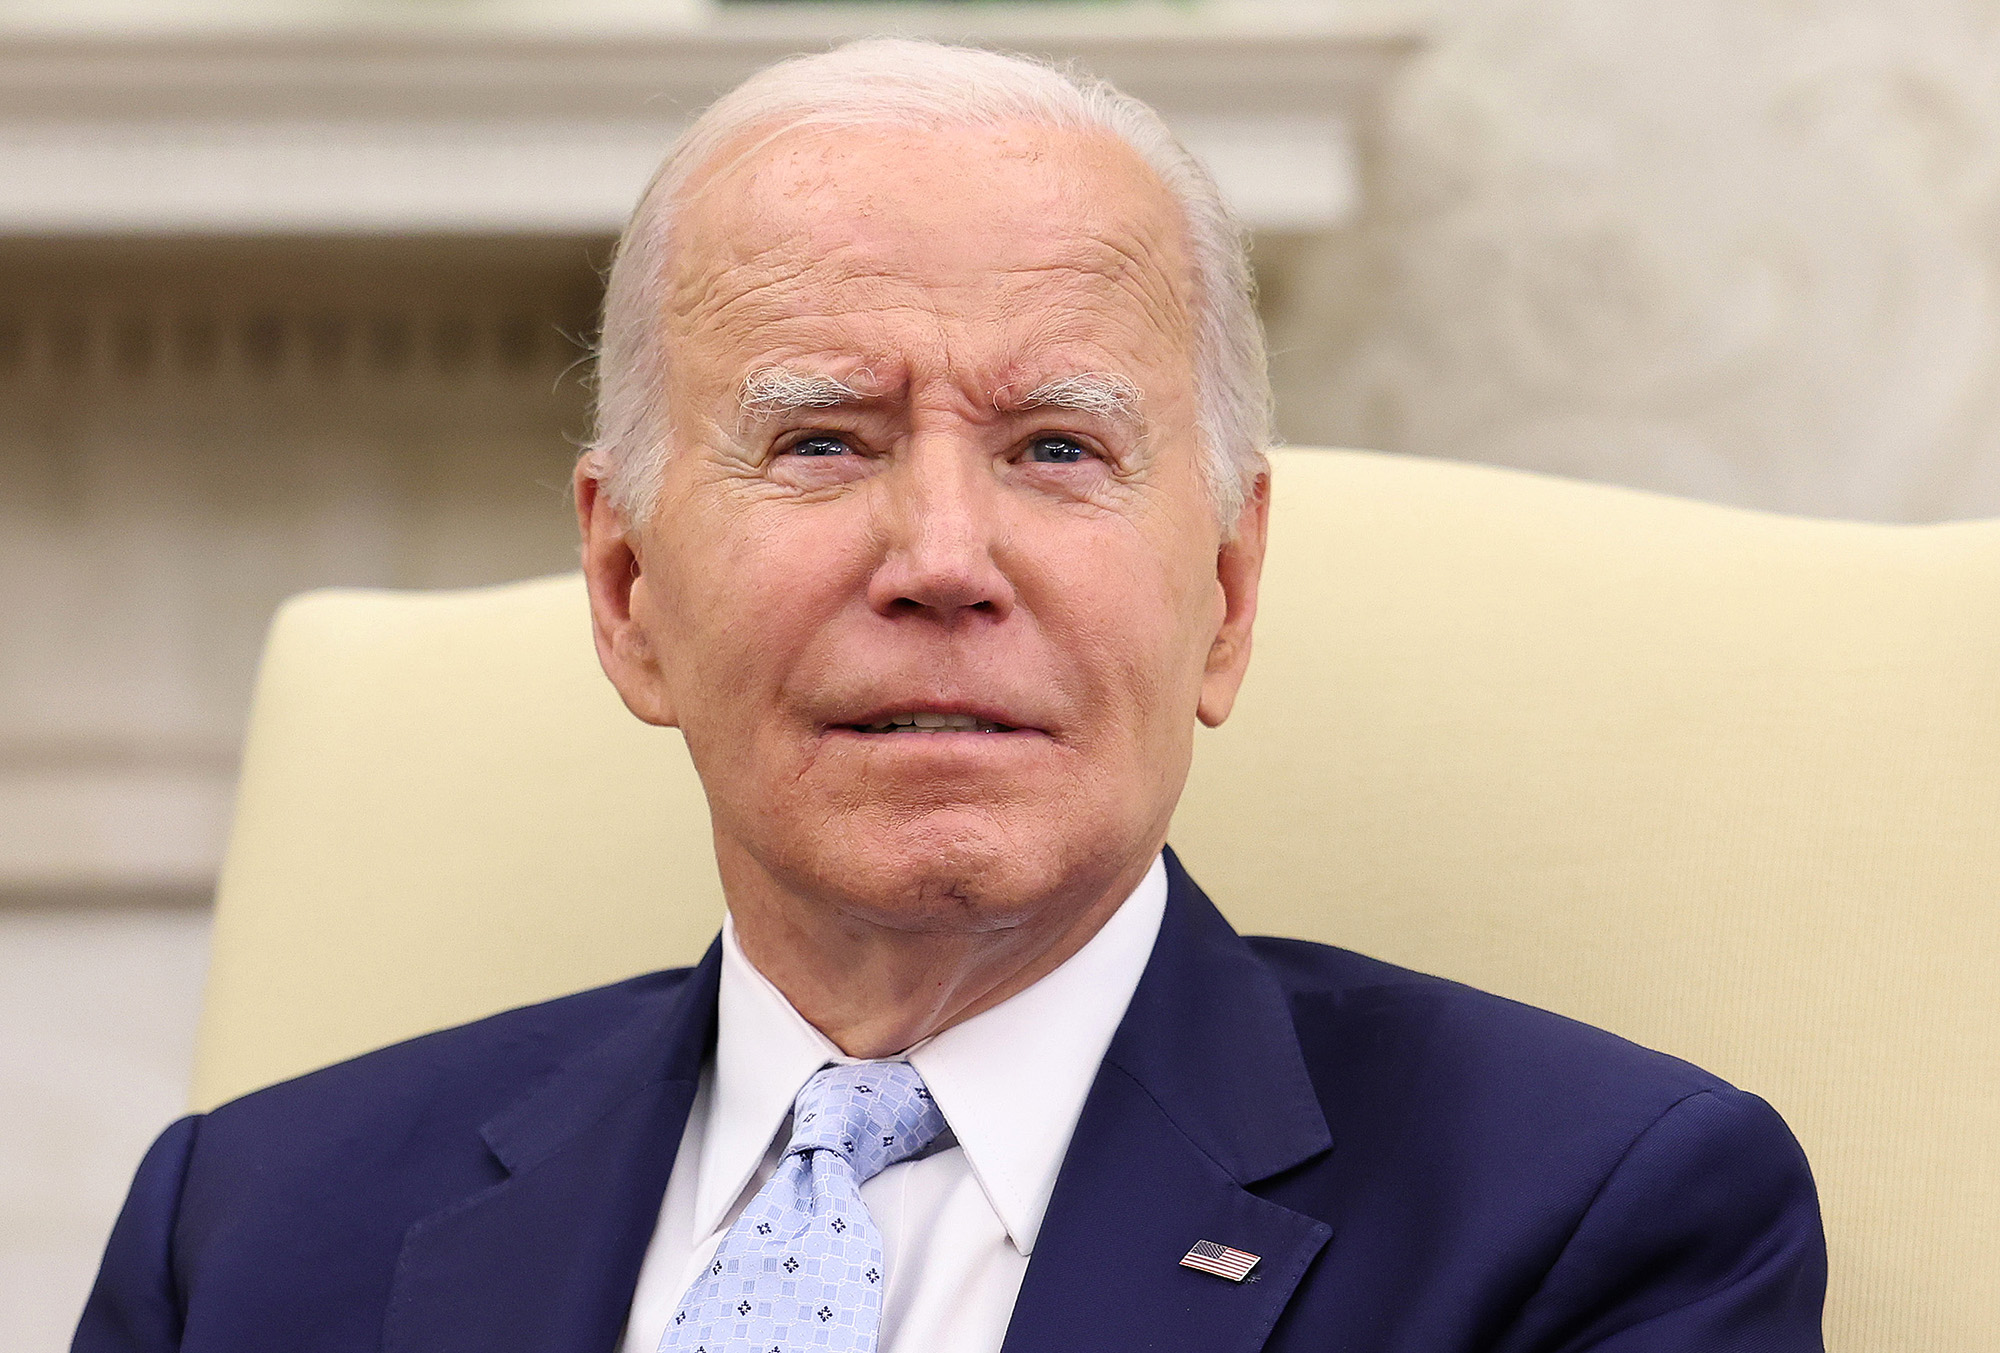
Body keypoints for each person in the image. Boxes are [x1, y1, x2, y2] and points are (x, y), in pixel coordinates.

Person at [74, 39, 1826, 1353]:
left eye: (1057, 446)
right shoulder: (240, 1237)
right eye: (819, 440)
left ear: (1225, 595)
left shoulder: (1597, 1219)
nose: (940, 553)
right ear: (628, 596)